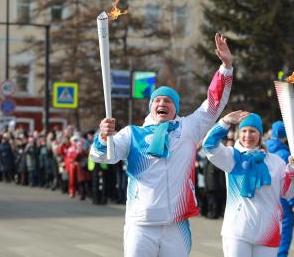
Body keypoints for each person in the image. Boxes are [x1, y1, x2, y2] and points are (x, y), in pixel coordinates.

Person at [90, 33, 233, 257]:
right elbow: (102, 156)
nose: (162, 103)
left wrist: (225, 67)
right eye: (157, 100)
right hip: (141, 223)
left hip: (175, 224)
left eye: (168, 100)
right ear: (151, 107)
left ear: (175, 108)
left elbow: (213, 103)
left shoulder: (188, 129)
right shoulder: (133, 134)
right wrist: (103, 137)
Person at [202, 112, 294, 257]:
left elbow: (287, 192)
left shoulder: (276, 162)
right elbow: (209, 146)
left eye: (252, 131)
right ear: (238, 133)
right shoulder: (232, 157)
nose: (248, 135)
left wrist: (293, 169)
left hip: (268, 230)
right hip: (237, 230)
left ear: (260, 134)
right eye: (244, 131)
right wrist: (224, 122)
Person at [266, 121, 294, 257]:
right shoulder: (285, 154)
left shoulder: (264, 149)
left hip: (268, 198)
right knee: (284, 235)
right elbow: (290, 178)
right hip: (283, 200)